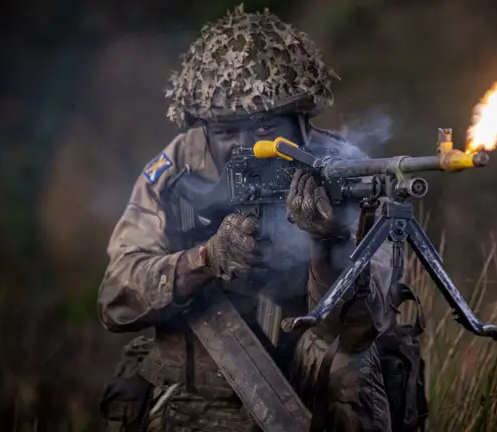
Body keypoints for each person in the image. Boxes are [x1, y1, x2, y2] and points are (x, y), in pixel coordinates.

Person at [96, 5, 428, 432]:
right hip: (204, 390)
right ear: (202, 128)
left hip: (314, 397)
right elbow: (116, 298)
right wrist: (204, 259)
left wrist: (331, 245)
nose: (249, 146)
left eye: (267, 127)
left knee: (357, 370)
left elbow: (365, 327)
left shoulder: (344, 169)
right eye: (226, 132)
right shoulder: (177, 167)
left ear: (301, 119)